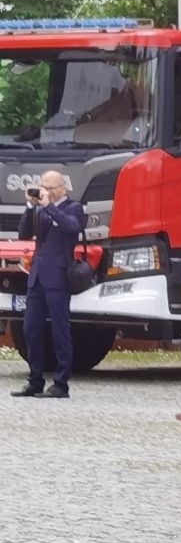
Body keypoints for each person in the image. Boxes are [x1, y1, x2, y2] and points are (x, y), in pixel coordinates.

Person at [12, 170, 87, 399]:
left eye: (51, 187)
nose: (46, 191)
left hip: (58, 277)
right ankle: (35, 380)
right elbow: (24, 233)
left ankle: (61, 383)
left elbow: (72, 228)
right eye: (43, 186)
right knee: (30, 329)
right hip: (37, 276)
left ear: (63, 188)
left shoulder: (73, 208)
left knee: (60, 330)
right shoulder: (41, 210)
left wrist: (49, 207)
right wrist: (31, 206)